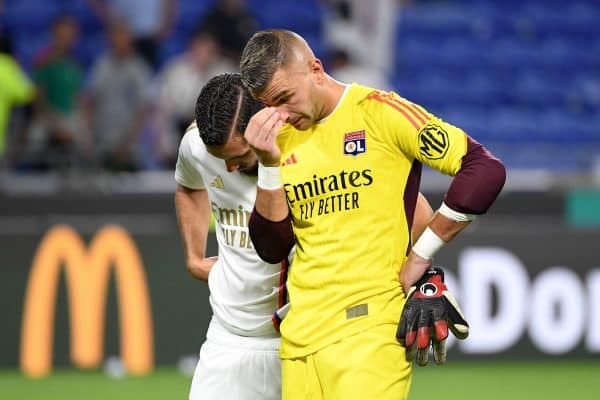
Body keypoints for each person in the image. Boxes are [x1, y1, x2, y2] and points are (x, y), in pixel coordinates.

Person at [239, 29, 506, 399]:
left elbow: (483, 168)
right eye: (270, 106)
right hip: (300, 341)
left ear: (315, 69)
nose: (281, 115)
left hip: (371, 331)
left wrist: (422, 257)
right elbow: (271, 248)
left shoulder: (380, 112)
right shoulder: (276, 141)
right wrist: (268, 165)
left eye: (286, 98)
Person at [174, 73, 435, 400]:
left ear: (263, 123)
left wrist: (429, 276)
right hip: (228, 340)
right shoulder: (197, 145)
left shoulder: (312, 148)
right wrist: (193, 257)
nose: (229, 169)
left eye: (240, 158)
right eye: (222, 160)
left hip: (304, 340)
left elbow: (413, 209)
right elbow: (188, 187)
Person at [85, 20, 152, 172]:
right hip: (101, 142)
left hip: (131, 147)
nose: (119, 40)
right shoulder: (101, 66)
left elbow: (143, 110)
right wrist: (89, 136)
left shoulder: (139, 69)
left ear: (130, 39)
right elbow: (89, 101)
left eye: (123, 35)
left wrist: (128, 143)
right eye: (115, 35)